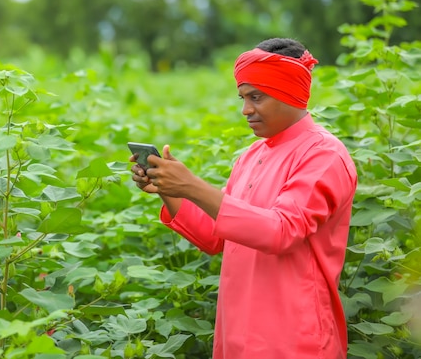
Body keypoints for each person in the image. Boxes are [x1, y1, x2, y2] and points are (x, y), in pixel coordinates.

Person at [130, 38, 357, 359]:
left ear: (289, 93)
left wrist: (193, 186)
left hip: (294, 339)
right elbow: (214, 235)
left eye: (256, 97)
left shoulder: (323, 154)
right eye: (243, 97)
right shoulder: (252, 156)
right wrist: (170, 188)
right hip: (238, 334)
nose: (246, 109)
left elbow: (281, 231)